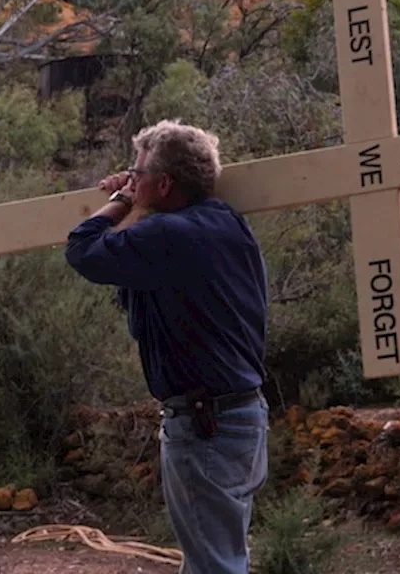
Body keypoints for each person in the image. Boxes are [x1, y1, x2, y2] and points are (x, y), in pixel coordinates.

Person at [65, 120, 271, 574]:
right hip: (243, 419)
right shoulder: (225, 222)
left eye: (136, 172)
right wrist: (139, 203)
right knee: (216, 561)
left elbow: (82, 250)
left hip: (205, 429)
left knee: (213, 567)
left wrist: (120, 202)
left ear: (163, 183)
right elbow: (139, 289)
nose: (130, 178)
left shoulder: (167, 237)